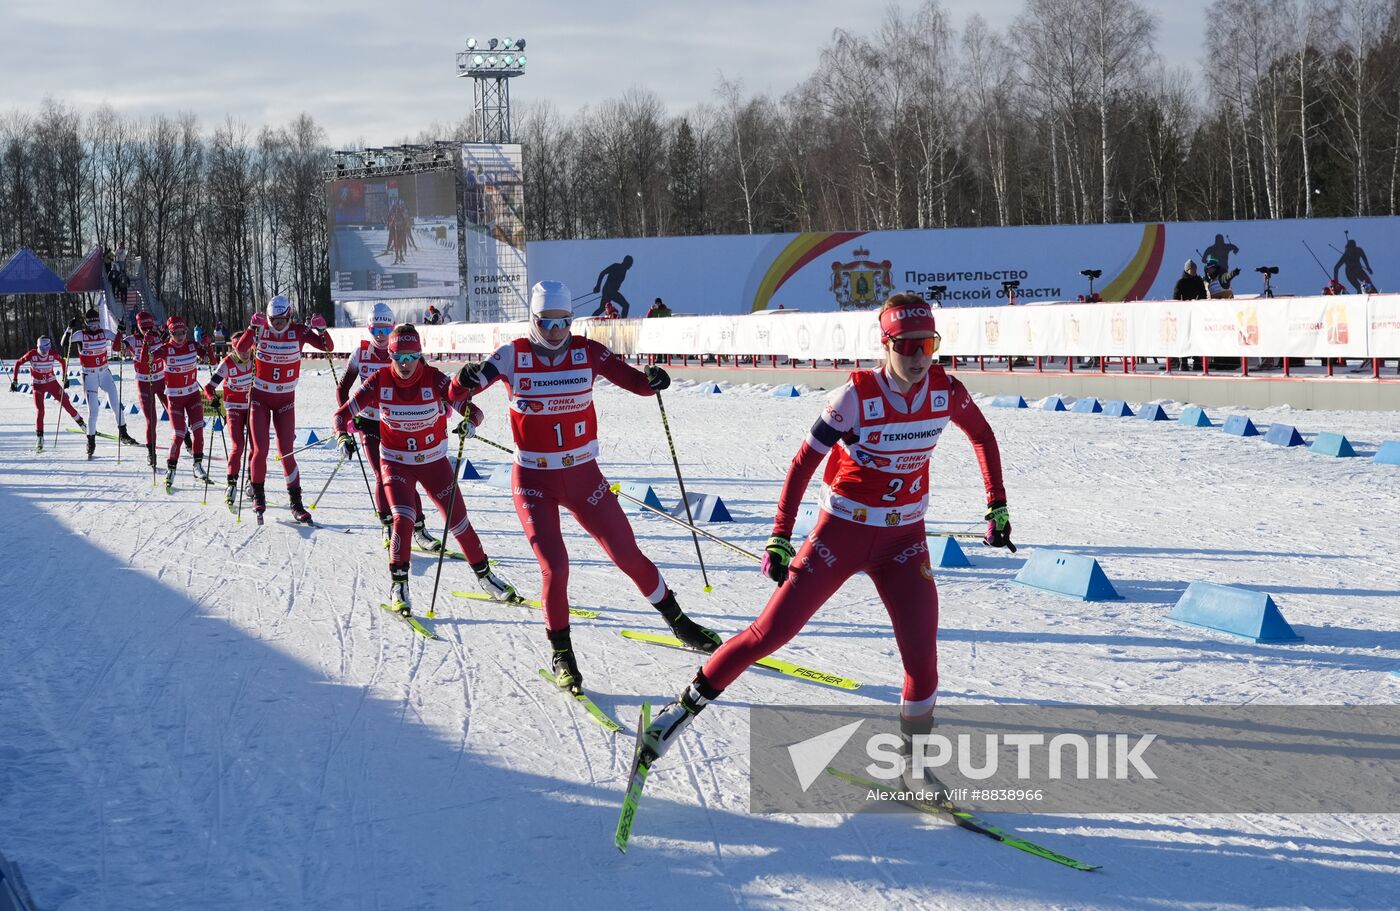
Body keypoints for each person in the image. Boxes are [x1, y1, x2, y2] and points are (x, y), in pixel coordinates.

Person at [638, 293, 1012, 765]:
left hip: (904, 540)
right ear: (886, 344)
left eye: (927, 345)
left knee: (923, 660)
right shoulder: (854, 397)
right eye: (906, 346)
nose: (918, 357)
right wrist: (779, 534)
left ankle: (915, 768)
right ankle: (680, 711)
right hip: (841, 533)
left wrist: (996, 505)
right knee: (769, 634)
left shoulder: (947, 390)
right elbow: (801, 465)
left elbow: (983, 436)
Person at [454, 281, 721, 697]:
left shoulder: (587, 351)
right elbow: (462, 391)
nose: (557, 331)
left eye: (564, 322)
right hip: (533, 481)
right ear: (534, 320)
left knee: (628, 554)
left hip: (584, 477)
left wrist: (654, 379)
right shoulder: (512, 355)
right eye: (548, 322)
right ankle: (562, 653)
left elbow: (636, 383)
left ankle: (679, 623)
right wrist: (463, 379)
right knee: (555, 567)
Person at [332, 324, 517, 618]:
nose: (405, 365)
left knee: (459, 523)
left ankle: (485, 577)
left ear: (421, 355)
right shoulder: (379, 380)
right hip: (396, 462)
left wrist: (469, 423)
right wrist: (342, 435)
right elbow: (341, 415)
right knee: (403, 519)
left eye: (412, 357)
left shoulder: (434, 379)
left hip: (434, 462)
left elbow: (475, 411)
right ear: (389, 356)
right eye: (398, 358)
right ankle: (399, 585)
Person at [336, 302, 443, 552]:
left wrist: (442, 408)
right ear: (369, 329)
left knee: (409, 478)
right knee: (381, 475)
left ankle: (419, 528)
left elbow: (429, 384)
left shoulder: (404, 351)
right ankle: (387, 524)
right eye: (376, 331)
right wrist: (349, 418)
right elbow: (342, 389)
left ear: (393, 328)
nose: (381, 337)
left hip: (402, 424)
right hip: (371, 423)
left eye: (386, 330)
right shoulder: (359, 353)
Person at [232, 294, 335, 524]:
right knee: (261, 449)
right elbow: (240, 351)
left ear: (289, 315)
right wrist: (250, 329)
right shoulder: (261, 330)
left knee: (287, 452)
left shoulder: (299, 331)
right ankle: (258, 494)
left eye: (280, 320)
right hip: (260, 398)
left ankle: (296, 503)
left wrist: (322, 330)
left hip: (286, 401)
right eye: (272, 320)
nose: (276, 325)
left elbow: (328, 348)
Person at [147, 316, 213, 491]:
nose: (180, 336)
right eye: (176, 333)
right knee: (179, 433)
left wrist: (208, 345)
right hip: (175, 397)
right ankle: (171, 469)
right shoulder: (166, 349)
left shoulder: (192, 345)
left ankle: (197, 465)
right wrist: (148, 346)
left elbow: (210, 360)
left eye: (183, 332)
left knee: (198, 430)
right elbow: (148, 360)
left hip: (192, 395)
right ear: (170, 333)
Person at [69, 308, 139, 459]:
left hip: (105, 373)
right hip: (90, 376)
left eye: (96, 323)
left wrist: (120, 331)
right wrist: (69, 328)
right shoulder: (81, 335)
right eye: (91, 323)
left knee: (116, 404)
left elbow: (118, 345)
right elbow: (64, 343)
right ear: (86, 323)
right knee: (93, 411)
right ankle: (91, 442)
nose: (94, 326)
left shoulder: (105, 332)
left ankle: (124, 434)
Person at [205, 331, 254, 508]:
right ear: (234, 348)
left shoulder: (255, 359)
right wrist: (213, 399)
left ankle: (251, 482)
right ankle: (231, 484)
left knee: (256, 446)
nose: (246, 353)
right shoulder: (227, 363)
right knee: (238, 445)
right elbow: (208, 388)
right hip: (233, 407)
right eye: (242, 350)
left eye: (248, 349)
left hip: (251, 407)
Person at [10, 336, 84, 449]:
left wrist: (65, 377)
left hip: (52, 383)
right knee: (40, 410)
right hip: (38, 385)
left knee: (66, 404)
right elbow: (18, 363)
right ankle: (40, 437)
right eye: (42, 348)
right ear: (38, 346)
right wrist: (15, 381)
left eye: (47, 347)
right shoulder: (32, 354)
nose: (45, 351)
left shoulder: (52, 354)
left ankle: (82, 424)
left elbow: (63, 361)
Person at [122, 310, 172, 469]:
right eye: (144, 328)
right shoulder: (132, 340)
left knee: (174, 412)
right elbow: (117, 347)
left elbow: (175, 347)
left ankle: (188, 441)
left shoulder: (159, 337)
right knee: (152, 420)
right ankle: (151, 453)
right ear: (138, 327)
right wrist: (119, 333)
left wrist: (167, 336)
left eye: (149, 327)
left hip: (161, 380)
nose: (147, 331)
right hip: (144, 384)